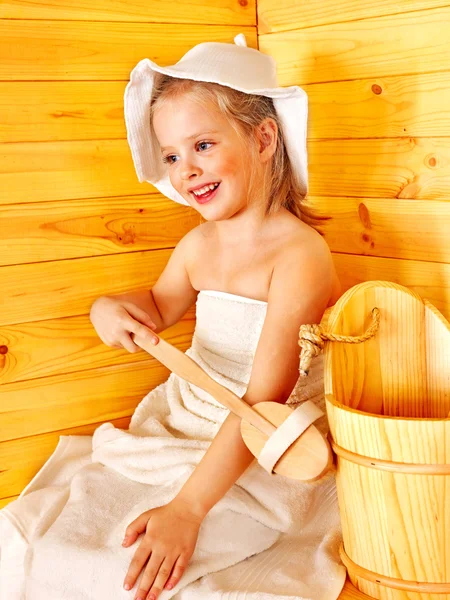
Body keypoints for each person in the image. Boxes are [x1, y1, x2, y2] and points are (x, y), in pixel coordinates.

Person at [0, 34, 344, 600]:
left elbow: (263, 401)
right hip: (187, 418)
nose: (187, 170)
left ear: (263, 138)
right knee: (53, 538)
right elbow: (158, 307)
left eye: (203, 145)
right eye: (172, 156)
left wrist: (187, 509)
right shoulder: (197, 245)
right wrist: (106, 308)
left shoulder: (299, 255)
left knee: (147, 573)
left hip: (263, 439)